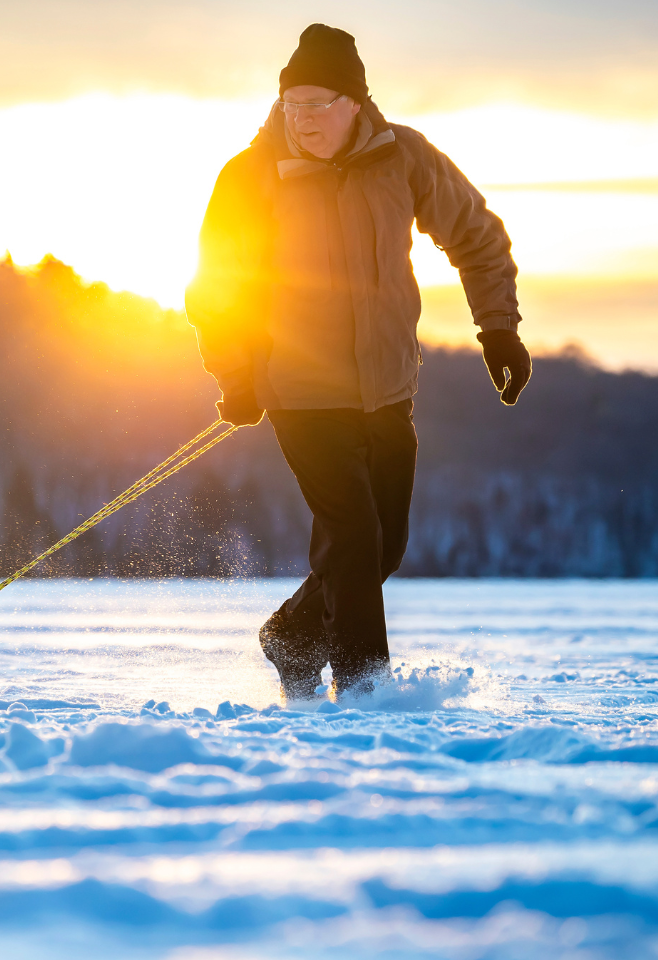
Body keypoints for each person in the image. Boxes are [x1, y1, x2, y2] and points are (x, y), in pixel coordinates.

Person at [185, 24, 530, 701]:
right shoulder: (251, 176)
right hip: (302, 392)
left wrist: (498, 330)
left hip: (389, 389)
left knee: (383, 545)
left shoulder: (402, 156)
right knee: (352, 537)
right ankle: (365, 692)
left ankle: (292, 636)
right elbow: (214, 287)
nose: (304, 120)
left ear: (357, 103)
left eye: (319, 104)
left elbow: (477, 236)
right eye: (293, 105)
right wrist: (235, 374)